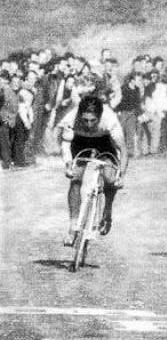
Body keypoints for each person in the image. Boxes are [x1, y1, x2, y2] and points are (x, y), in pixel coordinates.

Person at [58, 95, 128, 246]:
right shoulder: (71, 118)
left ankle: (107, 210)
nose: (89, 124)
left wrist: (121, 175)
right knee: (75, 178)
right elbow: (65, 145)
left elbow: (123, 150)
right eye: (85, 120)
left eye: (93, 120)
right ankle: (73, 226)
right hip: (80, 141)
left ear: (100, 116)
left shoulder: (109, 119)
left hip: (104, 141)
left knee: (110, 178)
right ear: (79, 115)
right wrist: (68, 164)